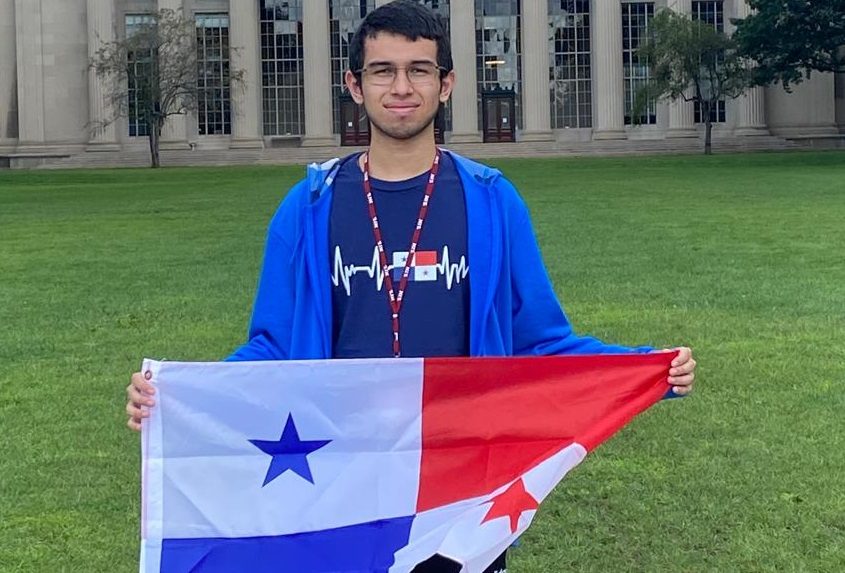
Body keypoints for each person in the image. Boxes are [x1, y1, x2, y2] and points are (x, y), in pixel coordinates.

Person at [126, 2, 696, 571]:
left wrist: (646, 368)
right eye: (383, 70)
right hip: (337, 477)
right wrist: (177, 396)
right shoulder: (309, 207)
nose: (402, 87)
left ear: (446, 84)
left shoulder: (492, 201)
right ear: (355, 85)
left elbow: (540, 338)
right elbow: (273, 346)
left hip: (457, 483)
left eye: (420, 70)